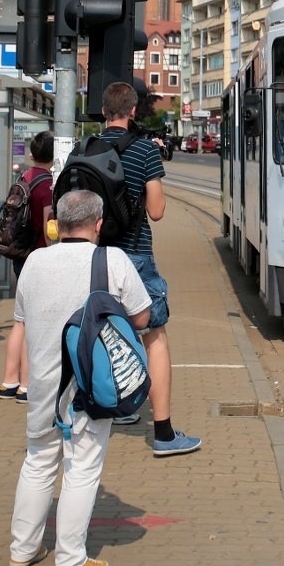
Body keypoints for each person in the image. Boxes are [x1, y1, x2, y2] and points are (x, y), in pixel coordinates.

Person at [9, 190, 151, 566]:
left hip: (41, 386)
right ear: (99, 223)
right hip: (87, 386)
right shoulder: (112, 260)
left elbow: (23, 317)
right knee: (82, 469)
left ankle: (23, 549)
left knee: (37, 461)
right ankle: (71, 561)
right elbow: (141, 318)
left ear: (57, 221)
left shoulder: (35, 261)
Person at [100, 82, 201, 455]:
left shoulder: (86, 148)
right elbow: (157, 212)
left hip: (94, 257)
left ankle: (113, 411)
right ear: (133, 111)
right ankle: (163, 433)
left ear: (102, 111)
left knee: (103, 332)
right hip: (134, 255)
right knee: (153, 335)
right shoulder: (144, 150)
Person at [0, 131, 55, 402]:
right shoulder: (47, 186)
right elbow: (48, 229)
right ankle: (26, 385)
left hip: (20, 253)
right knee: (34, 322)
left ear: (33, 153)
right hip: (38, 256)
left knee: (19, 321)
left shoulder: (23, 177)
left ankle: (8, 382)